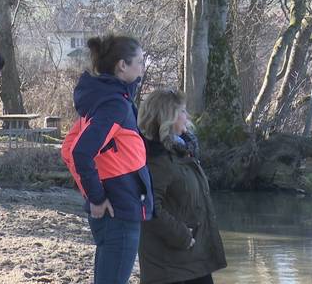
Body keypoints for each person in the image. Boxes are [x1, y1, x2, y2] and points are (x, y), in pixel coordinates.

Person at [63, 34, 153, 284]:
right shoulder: (113, 104)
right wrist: (96, 197)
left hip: (113, 209)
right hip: (120, 210)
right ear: (122, 65)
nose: (143, 67)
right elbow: (79, 152)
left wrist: (92, 195)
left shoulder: (103, 99)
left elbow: (68, 147)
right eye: (140, 62)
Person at [137, 89, 226, 284]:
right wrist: (183, 236)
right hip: (170, 265)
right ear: (167, 117)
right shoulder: (157, 158)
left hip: (192, 259)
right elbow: (149, 209)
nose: (187, 116)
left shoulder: (183, 152)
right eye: (182, 111)